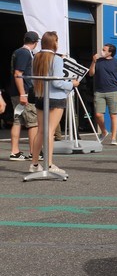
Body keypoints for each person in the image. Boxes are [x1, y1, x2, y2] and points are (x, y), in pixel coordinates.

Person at [30, 31, 79, 176]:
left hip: (40, 97)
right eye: (57, 40)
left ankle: (34, 164)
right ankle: (49, 164)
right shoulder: (56, 59)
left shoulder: (36, 57)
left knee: (41, 131)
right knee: (50, 132)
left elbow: (33, 80)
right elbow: (57, 82)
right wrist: (72, 84)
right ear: (54, 42)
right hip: (56, 98)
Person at [9, 31, 40, 162]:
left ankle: (15, 152)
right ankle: (34, 152)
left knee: (17, 121)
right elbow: (18, 73)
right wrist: (23, 93)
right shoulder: (24, 53)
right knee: (33, 123)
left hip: (16, 91)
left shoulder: (18, 51)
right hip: (24, 92)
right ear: (35, 42)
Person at [87, 43, 117, 145]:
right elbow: (91, 73)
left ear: (110, 53)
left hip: (113, 91)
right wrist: (93, 61)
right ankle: (104, 131)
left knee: (113, 115)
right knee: (98, 114)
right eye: (102, 49)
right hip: (99, 91)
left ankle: (113, 138)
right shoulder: (98, 61)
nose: (102, 51)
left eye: (104, 50)